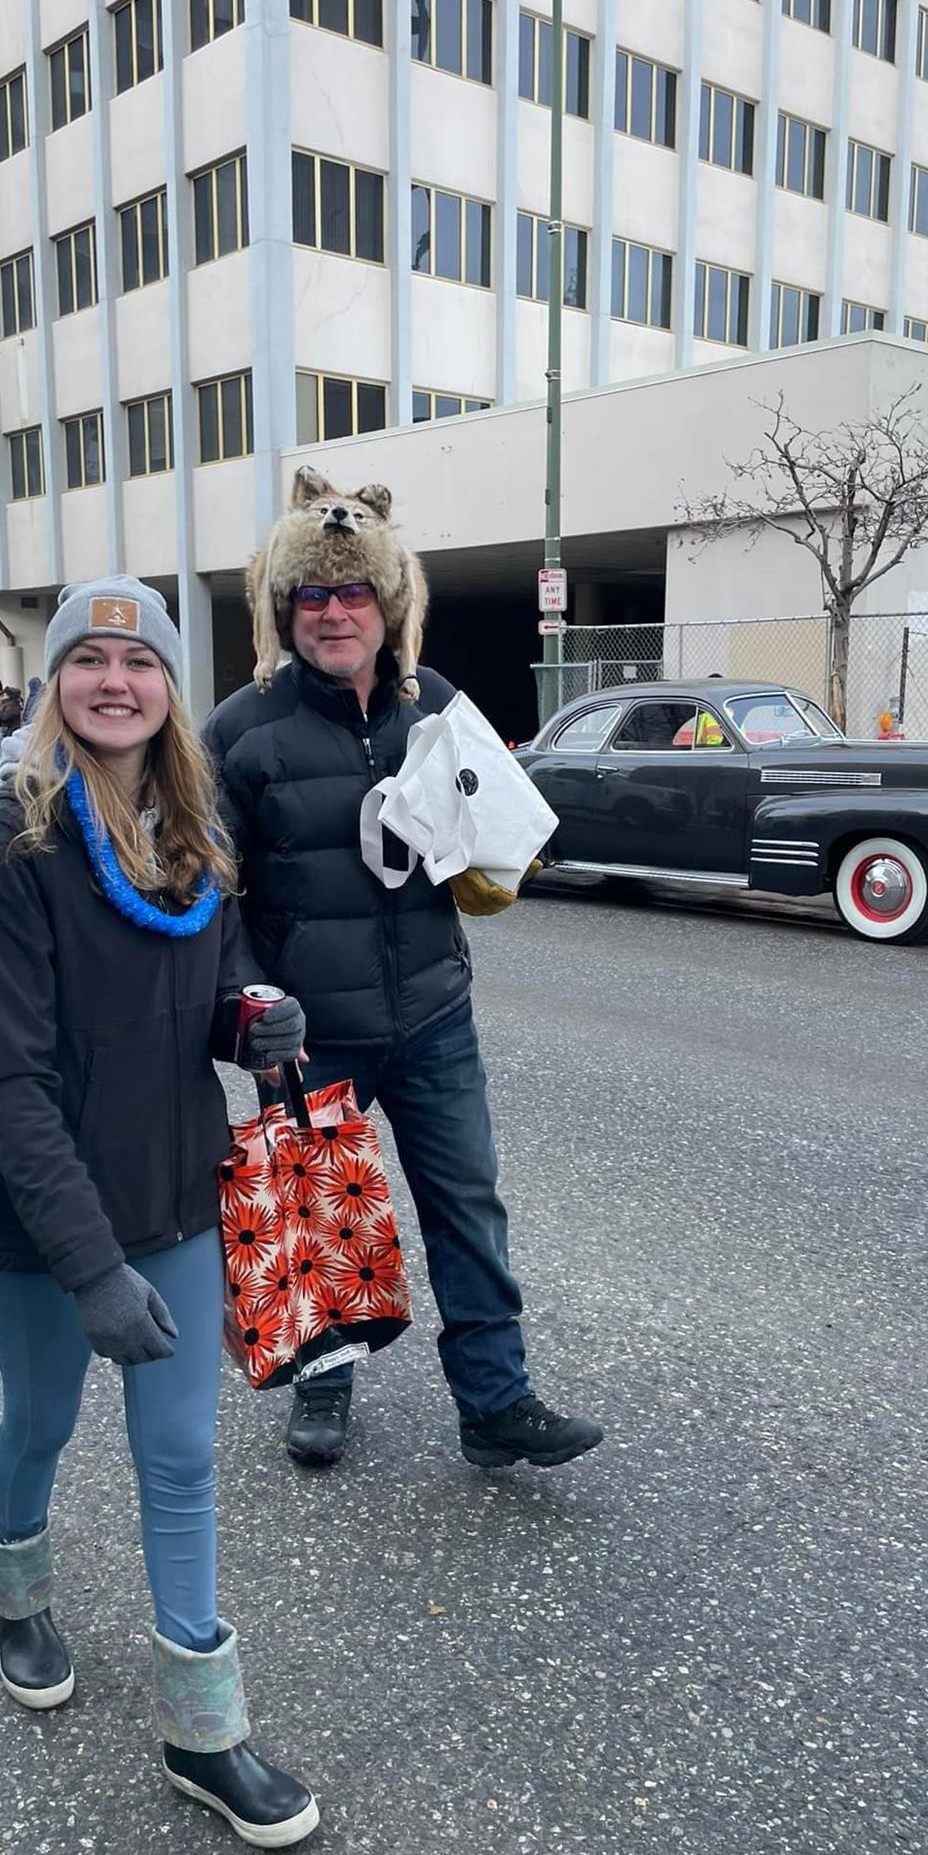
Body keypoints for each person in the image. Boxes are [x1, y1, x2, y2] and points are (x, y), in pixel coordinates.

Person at [0, 575, 318, 1850]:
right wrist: (91, 1269)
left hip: (177, 1200)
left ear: (170, 687)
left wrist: (253, 1018)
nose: (117, 680)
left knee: (179, 1459)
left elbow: (215, 981)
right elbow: (11, 1083)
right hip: (45, 1226)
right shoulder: (7, 845)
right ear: (55, 686)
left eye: (142, 661)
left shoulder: (191, 835)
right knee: (41, 1423)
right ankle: (18, 1585)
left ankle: (204, 1733)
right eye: (90, 659)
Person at [205, 502, 605, 1475]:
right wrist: (253, 1002)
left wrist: (510, 853)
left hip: (431, 1014)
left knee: (467, 1206)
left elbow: (487, 829)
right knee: (319, 1218)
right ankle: (324, 1383)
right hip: (306, 1032)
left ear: (388, 605)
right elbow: (210, 896)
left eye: (353, 591)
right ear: (283, 609)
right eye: (311, 593)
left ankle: (495, 1400)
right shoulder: (240, 731)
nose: (333, 612)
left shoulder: (435, 704)